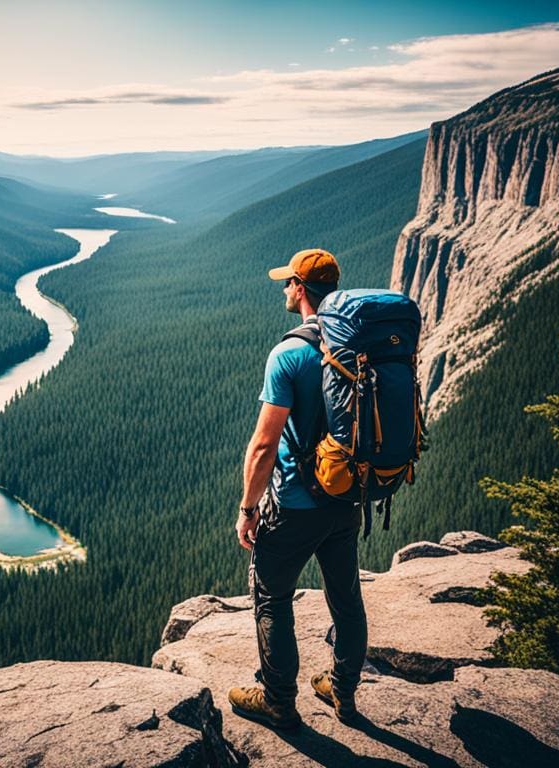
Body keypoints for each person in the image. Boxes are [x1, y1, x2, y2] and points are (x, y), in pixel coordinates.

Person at [227, 248, 367, 731]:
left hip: (295, 504)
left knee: (271, 595)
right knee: (346, 598)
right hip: (347, 498)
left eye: (288, 282)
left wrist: (248, 509)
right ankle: (343, 691)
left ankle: (278, 700)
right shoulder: (357, 345)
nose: (285, 289)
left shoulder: (289, 353)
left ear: (301, 289)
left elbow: (264, 446)